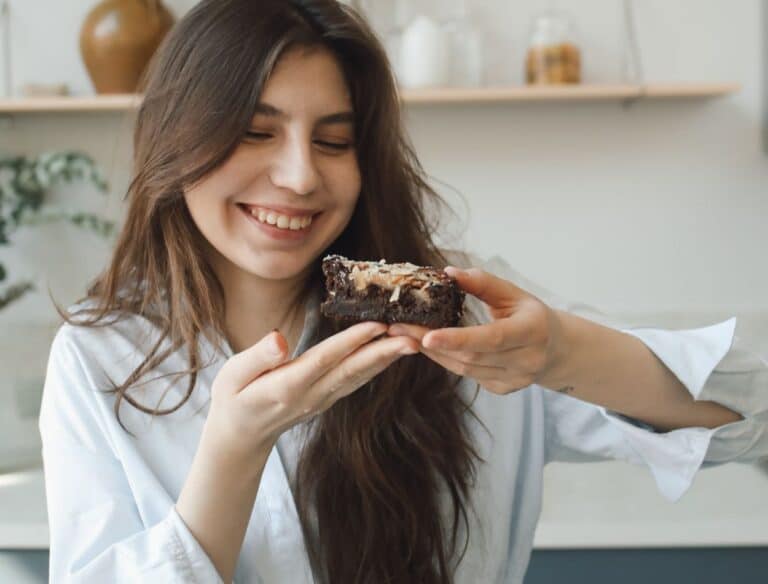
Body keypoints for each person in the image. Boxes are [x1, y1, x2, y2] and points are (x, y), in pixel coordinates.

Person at [39, 1, 768, 583]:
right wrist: (232, 452)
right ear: (177, 141)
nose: (299, 176)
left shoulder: (465, 320)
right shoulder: (100, 359)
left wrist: (560, 351)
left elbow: (749, 413)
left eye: (333, 142)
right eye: (256, 133)